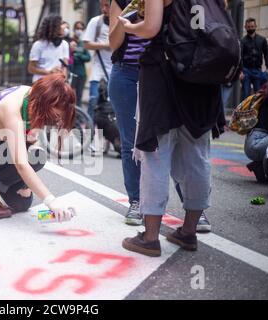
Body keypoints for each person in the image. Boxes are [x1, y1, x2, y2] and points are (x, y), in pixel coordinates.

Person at [119, 0, 222, 257]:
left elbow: (151, 28)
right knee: (197, 155)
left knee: (155, 153)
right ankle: (188, 231)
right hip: (203, 76)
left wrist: (130, 27)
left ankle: (150, 237)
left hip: (164, 74)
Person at [0, 73, 77, 219]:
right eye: (56, 115)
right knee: (36, 158)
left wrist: (24, 184)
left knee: (22, 203)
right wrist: (51, 201)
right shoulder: (12, 110)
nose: (56, 120)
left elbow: (31, 143)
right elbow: (21, 163)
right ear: (46, 104)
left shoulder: (33, 97)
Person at [109, 0, 150, 226]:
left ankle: (193, 206)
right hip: (125, 74)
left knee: (169, 141)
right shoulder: (122, 1)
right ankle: (136, 201)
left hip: (157, 73)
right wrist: (126, 17)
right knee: (130, 142)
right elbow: (114, 44)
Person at [83, 0, 113, 123]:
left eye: (107, 5)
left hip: (116, 70)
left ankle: (111, 135)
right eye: (101, 5)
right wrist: (105, 46)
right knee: (93, 101)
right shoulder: (96, 22)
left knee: (113, 105)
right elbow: (87, 44)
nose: (103, 9)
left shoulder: (123, 22)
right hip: (98, 70)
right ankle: (90, 135)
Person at [28, 15, 69, 83]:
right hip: (41, 83)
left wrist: (64, 80)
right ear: (54, 27)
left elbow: (65, 66)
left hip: (57, 84)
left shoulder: (64, 44)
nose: (64, 26)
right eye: (61, 24)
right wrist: (49, 72)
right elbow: (31, 68)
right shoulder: (38, 45)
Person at [241, 18, 268, 100]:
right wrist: (241, 71)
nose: (250, 28)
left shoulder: (262, 40)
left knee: (258, 93)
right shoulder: (242, 41)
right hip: (246, 70)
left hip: (257, 70)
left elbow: (267, 54)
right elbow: (240, 57)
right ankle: (244, 112)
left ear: (256, 26)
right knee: (246, 93)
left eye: (252, 26)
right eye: (249, 27)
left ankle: (257, 112)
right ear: (245, 27)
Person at [70, 21, 90, 106]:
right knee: (69, 96)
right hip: (71, 73)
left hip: (81, 73)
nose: (79, 30)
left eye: (81, 29)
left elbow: (88, 57)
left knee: (79, 96)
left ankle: (79, 117)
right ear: (74, 29)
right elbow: (69, 58)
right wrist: (78, 55)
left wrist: (78, 55)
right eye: (77, 28)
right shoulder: (69, 42)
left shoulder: (83, 43)